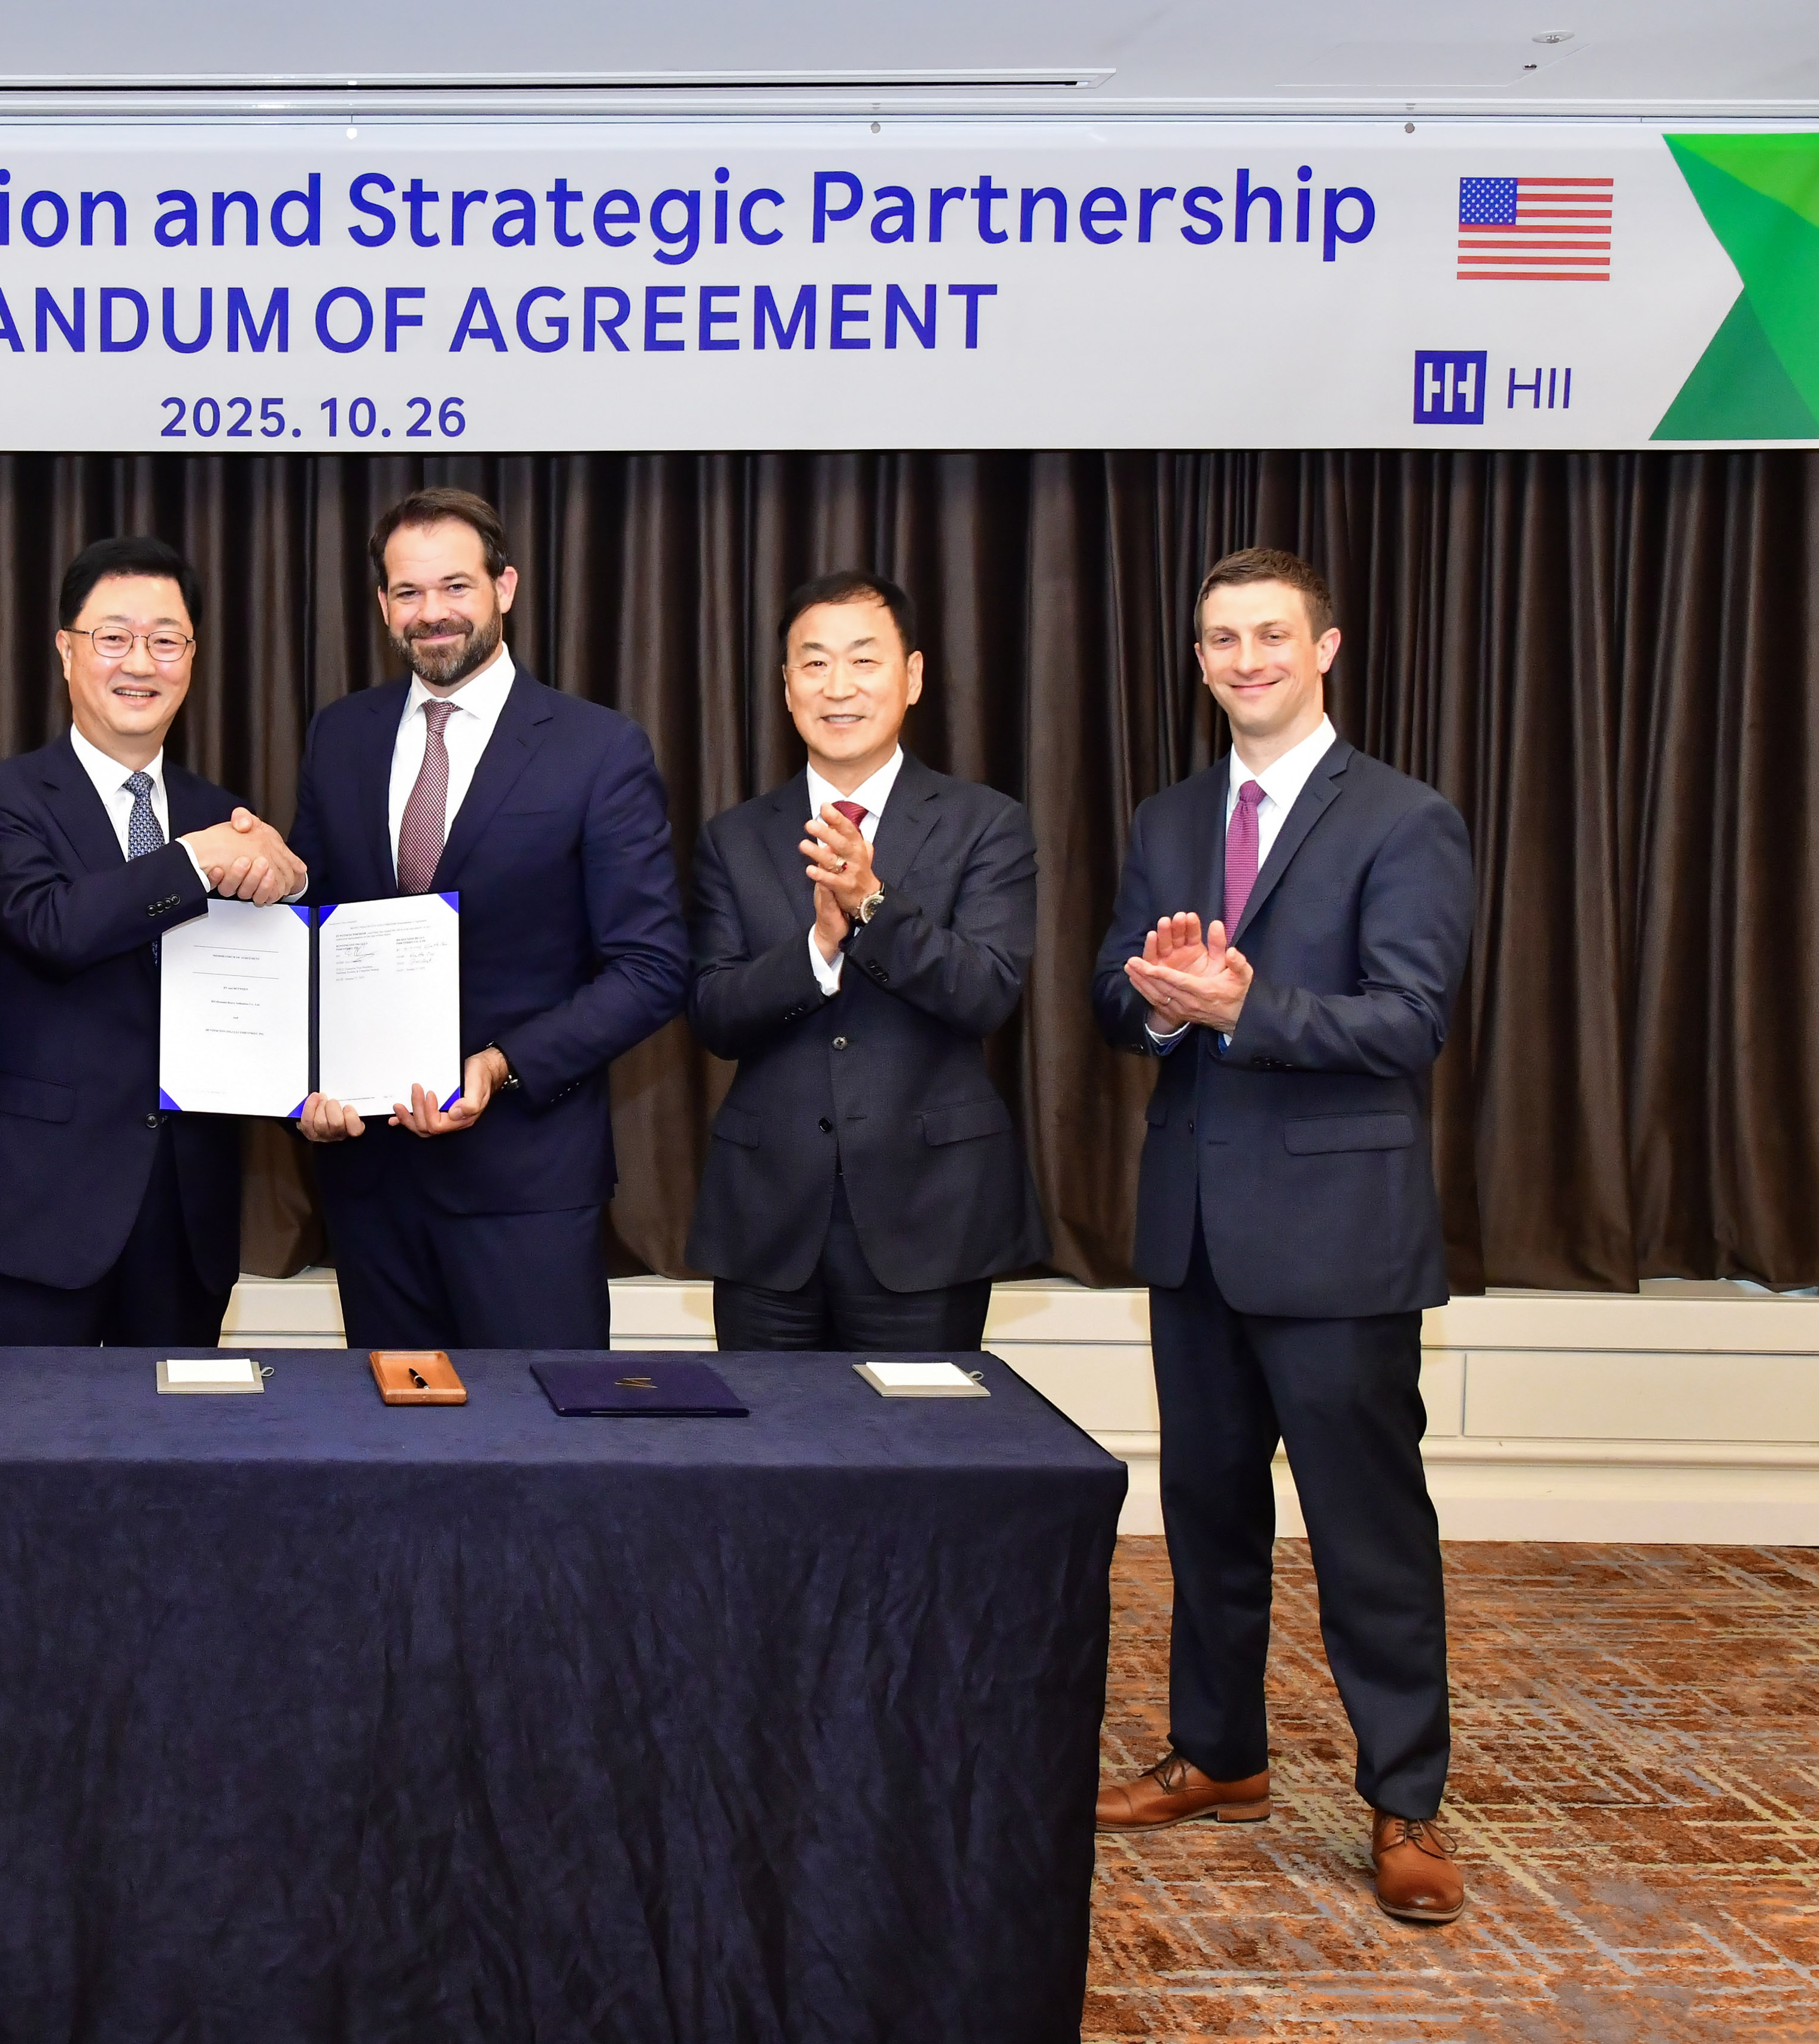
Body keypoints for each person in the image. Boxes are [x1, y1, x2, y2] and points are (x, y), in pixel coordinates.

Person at [1088, 546, 1477, 1926]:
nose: (1243, 659)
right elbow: (1113, 993)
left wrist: (1246, 1008)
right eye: (1219, 638)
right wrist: (1156, 999)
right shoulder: (1168, 815)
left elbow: (1409, 1018)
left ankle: (1406, 1799)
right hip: (1194, 1233)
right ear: (1197, 661)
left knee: (1369, 1536)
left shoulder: (1405, 818)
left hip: (1338, 1242)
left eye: (1268, 634)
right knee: (1207, 1519)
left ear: (1324, 648)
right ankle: (1218, 1755)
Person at [287, 487, 687, 1350]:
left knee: (539, 1429)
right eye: (408, 591)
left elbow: (650, 968)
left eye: (455, 586)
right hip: (368, 1183)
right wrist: (301, 1080)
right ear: (382, 603)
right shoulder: (340, 737)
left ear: (504, 587)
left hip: (525, 1188)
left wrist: (502, 1065)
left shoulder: (597, 748)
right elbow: (309, 940)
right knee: (389, 1425)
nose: (431, 612)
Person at [0, 535, 303, 1346]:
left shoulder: (226, 813)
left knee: (174, 1429)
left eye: (166, 640)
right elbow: (54, 926)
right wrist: (195, 859)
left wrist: (308, 1092)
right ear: (66, 650)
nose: (140, 662)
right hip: (35, 1212)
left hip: (185, 1215)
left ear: (192, 658)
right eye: (113, 637)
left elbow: (256, 993)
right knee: (21, 1429)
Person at [685, 570, 1046, 1351]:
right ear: (786, 686)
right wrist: (817, 948)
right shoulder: (734, 836)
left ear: (911, 677)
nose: (837, 686)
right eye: (813, 663)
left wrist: (872, 906)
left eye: (862, 660)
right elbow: (713, 1013)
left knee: (916, 1432)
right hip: (767, 1222)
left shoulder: (985, 824)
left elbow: (985, 991)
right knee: (768, 1432)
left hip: (929, 1215)